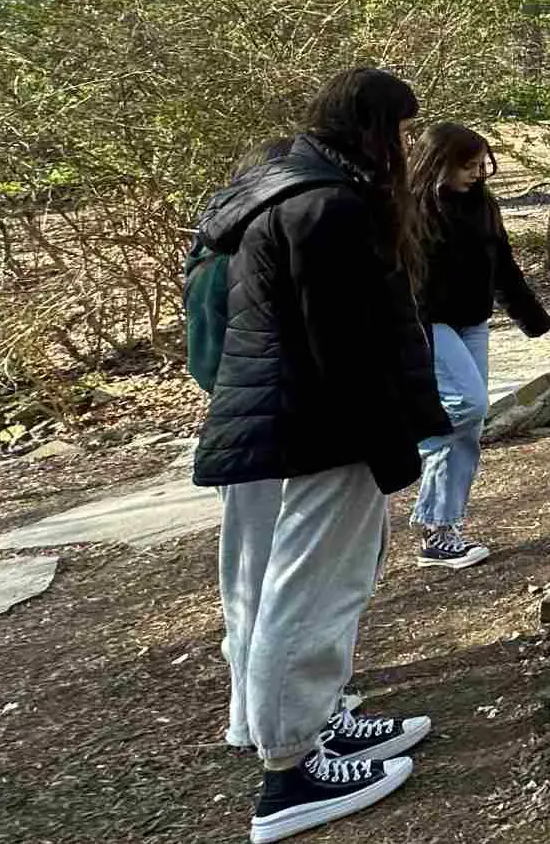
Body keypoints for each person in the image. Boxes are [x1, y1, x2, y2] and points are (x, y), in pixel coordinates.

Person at [192, 67, 445, 842]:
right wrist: (392, 448)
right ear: (375, 131)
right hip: (318, 425)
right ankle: (292, 771)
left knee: (268, 582)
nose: (408, 147)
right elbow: (344, 349)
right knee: (311, 592)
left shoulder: (271, 188)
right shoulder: (325, 206)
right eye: (400, 129)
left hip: (269, 417)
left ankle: (302, 721)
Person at [407, 122, 550, 571]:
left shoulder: (482, 205)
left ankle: (444, 530)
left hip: (473, 322)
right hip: (427, 323)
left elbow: (502, 265)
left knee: (469, 421)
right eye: (466, 166)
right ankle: (434, 519)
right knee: (465, 405)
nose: (475, 174)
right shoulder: (410, 208)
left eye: (479, 166)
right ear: (438, 163)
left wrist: (531, 318)